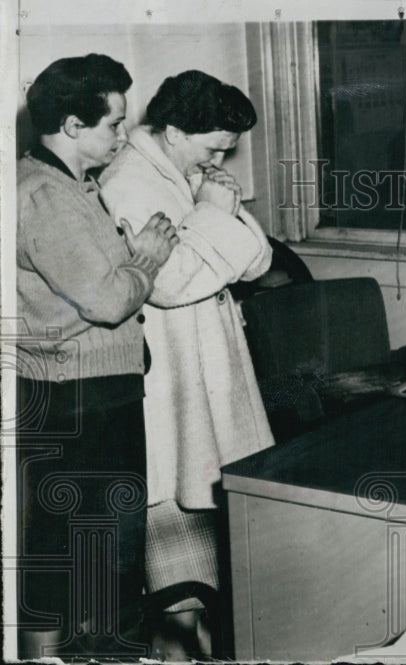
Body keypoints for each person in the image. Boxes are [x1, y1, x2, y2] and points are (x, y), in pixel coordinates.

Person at [99, 70, 274, 655]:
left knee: (214, 504)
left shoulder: (181, 166)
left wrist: (222, 205)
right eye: (215, 146)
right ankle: (180, 642)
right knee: (176, 505)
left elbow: (255, 264)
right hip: (173, 369)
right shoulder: (128, 179)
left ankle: (206, 637)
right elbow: (169, 283)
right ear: (173, 130)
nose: (222, 157)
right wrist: (211, 209)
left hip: (212, 358)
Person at [16, 53, 179, 657]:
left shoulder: (74, 186)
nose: (122, 136)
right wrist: (147, 259)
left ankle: (97, 650)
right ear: (73, 125)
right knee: (77, 543)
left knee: (104, 542)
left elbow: (99, 281)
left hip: (97, 390)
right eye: (114, 124)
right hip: (74, 399)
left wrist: (130, 257)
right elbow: (110, 301)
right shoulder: (45, 194)